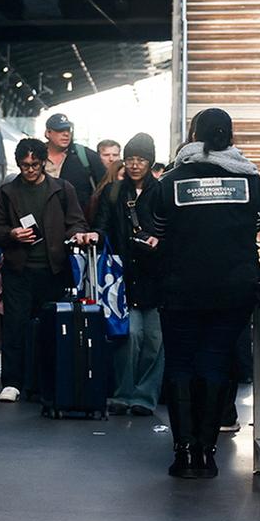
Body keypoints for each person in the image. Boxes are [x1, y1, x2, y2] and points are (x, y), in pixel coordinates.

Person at [144, 108, 260, 479]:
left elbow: (156, 224)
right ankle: (207, 452)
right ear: (229, 136)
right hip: (233, 288)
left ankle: (184, 452)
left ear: (194, 136)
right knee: (216, 362)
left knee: (180, 363)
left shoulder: (171, 180)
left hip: (181, 287)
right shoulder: (250, 178)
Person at [0, 138, 97, 403]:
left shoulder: (62, 189)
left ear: (43, 162)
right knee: (14, 327)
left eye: (35, 164)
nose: (30, 170)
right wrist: (11, 234)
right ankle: (12, 382)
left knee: (50, 328)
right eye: (24, 165)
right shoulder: (6, 193)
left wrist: (76, 235)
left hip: (53, 270)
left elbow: (76, 221)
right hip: (18, 270)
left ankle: (44, 382)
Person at [91, 134, 164, 416]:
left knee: (154, 341)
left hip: (156, 275)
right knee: (128, 336)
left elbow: (172, 229)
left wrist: (159, 242)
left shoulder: (162, 192)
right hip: (123, 276)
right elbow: (102, 225)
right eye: (130, 159)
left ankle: (145, 397)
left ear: (150, 162)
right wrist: (95, 235)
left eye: (141, 160)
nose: (134, 165)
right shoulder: (113, 192)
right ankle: (123, 393)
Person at [43, 112, 103, 213]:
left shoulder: (85, 156)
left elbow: (104, 188)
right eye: (60, 130)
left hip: (78, 219)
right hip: (44, 217)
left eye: (68, 130)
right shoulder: (36, 156)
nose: (66, 134)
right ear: (48, 133)